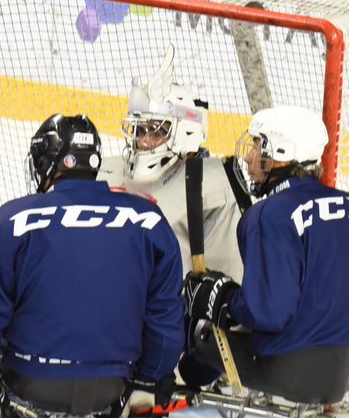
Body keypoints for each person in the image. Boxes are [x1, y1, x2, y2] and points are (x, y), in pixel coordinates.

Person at [0, 113, 186, 418]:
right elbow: (165, 321)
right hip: (113, 388)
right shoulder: (150, 220)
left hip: (28, 383)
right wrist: (149, 382)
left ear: (46, 160)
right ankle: (142, 395)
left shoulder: (10, 220)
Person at [182, 105, 349, 404]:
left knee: (202, 333)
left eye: (258, 146)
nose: (250, 157)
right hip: (342, 376)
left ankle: (176, 382)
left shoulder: (268, 215)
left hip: (285, 374)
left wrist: (222, 301)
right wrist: (333, 316)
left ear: (281, 153)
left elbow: (268, 313)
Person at [102, 45, 245, 280]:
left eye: (156, 132)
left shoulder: (214, 184)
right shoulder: (107, 170)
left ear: (185, 133)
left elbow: (226, 274)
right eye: (140, 131)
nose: (144, 142)